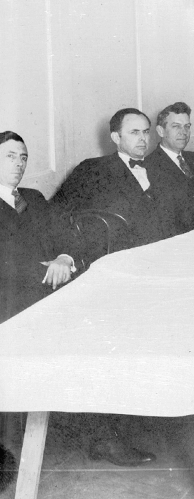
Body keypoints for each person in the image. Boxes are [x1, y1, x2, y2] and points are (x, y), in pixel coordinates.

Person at [0, 130, 82, 489]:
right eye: (9, 156)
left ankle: (95, 431)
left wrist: (64, 257)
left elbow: (67, 235)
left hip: (47, 296)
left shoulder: (33, 197)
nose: (18, 164)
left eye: (23, 157)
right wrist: (46, 271)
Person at [54, 108, 194, 263]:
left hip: (167, 256)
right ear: (116, 137)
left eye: (145, 132)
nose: (143, 138)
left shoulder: (160, 166)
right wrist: (65, 255)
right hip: (119, 260)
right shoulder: (93, 169)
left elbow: (183, 209)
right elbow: (58, 212)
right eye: (134, 132)